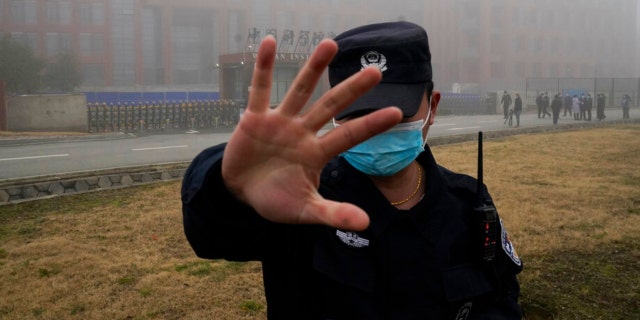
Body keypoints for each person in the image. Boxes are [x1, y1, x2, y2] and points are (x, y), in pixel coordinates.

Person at [181, 21, 523, 319]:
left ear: (432, 107)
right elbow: (211, 236)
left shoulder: (466, 203)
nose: (373, 129)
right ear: (335, 113)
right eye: (357, 112)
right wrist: (231, 187)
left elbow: (500, 296)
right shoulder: (301, 201)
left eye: (394, 112)